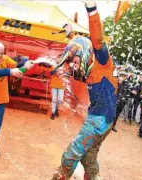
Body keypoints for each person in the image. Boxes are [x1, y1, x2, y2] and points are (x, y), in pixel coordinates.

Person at [51, 1, 117, 179]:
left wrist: (91, 9)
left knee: (71, 154)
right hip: (101, 118)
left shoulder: (102, 62)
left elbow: (96, 39)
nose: (72, 63)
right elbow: (78, 44)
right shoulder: (86, 65)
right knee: (89, 158)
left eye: (74, 59)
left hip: (101, 120)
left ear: (85, 53)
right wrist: (69, 32)